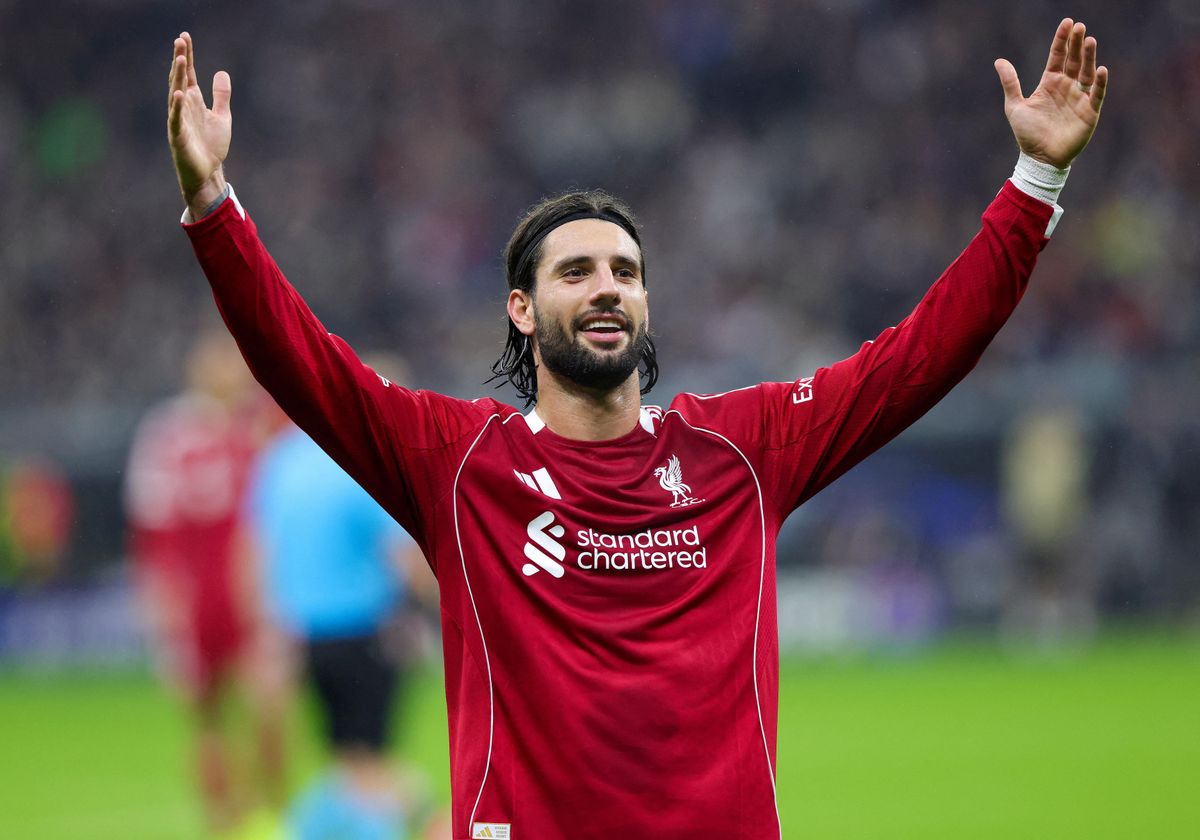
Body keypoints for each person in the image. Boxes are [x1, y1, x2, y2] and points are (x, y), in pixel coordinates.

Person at [165, 18, 1107, 838]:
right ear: (522, 310)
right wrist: (214, 209)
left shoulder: (743, 451)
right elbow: (301, 361)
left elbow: (921, 357)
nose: (607, 286)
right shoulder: (459, 464)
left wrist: (1036, 180)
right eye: (575, 272)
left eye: (625, 271)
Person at [245, 403, 437, 840]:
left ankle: (296, 828)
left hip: (305, 633)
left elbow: (258, 550)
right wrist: (437, 610)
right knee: (369, 760)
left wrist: (266, 626)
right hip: (365, 630)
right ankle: (423, 817)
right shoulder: (360, 463)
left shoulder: (279, 460)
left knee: (348, 759)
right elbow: (401, 554)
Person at [123, 329, 287, 839]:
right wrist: (163, 601)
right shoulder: (168, 433)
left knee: (270, 707)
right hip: (196, 598)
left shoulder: (265, 423)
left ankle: (269, 813)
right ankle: (223, 823)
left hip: (257, 595)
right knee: (208, 717)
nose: (231, 372)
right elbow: (151, 527)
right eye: (220, 362)